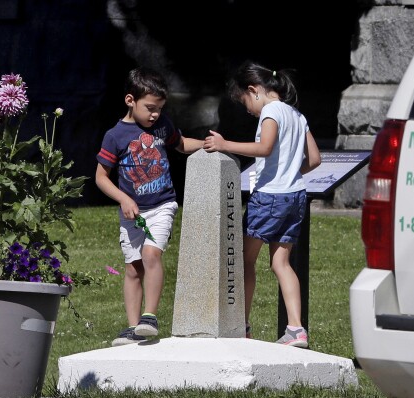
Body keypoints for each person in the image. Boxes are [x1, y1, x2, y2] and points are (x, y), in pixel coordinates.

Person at [203, 60, 321, 348]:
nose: (248, 110)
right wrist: (289, 171)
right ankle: (296, 329)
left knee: (245, 260)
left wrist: (225, 144)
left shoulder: (270, 112)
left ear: (254, 90)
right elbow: (315, 159)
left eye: (246, 102)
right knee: (281, 262)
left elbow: (264, 148)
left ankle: (240, 325)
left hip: (269, 197)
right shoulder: (296, 114)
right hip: (295, 196)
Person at [96, 67, 204, 347]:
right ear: (130, 100)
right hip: (132, 210)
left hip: (162, 204)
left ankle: (149, 317)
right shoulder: (115, 135)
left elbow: (179, 144)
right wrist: (123, 198)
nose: (155, 114)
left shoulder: (162, 125)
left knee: (151, 254)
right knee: (133, 268)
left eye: (160, 109)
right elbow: (100, 177)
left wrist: (206, 144)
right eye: (150, 108)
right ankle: (134, 329)